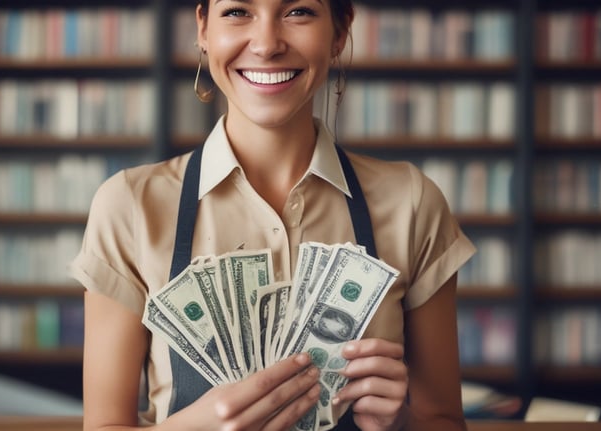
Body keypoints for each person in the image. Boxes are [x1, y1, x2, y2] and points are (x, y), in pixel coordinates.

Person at [70, 0, 475, 430]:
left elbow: (443, 421)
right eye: (237, 12)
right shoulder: (129, 206)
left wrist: (402, 424)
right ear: (203, 29)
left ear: (340, 32)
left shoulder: (412, 203)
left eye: (298, 11)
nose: (266, 44)